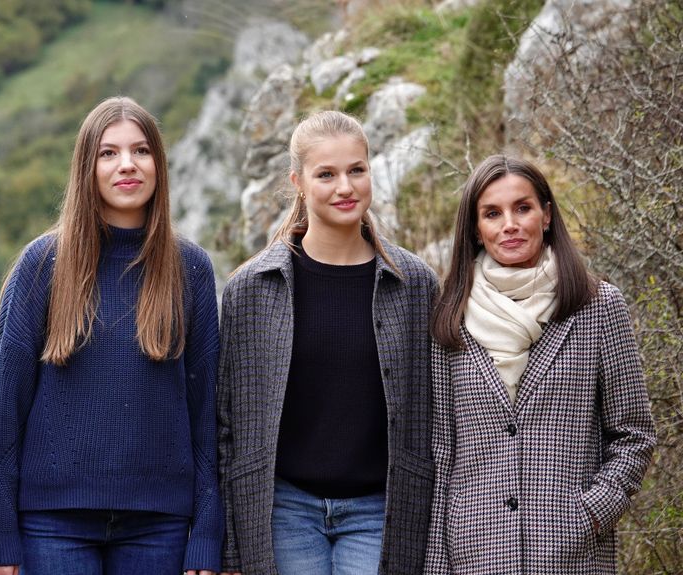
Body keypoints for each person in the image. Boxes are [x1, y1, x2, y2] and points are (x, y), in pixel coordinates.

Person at [0, 96, 223, 575]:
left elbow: (207, 413)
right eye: (108, 153)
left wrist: (208, 534)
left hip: (160, 526)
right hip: (52, 526)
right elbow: (5, 409)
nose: (126, 165)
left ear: (159, 165)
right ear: (85, 167)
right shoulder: (41, 265)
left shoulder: (189, 268)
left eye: (141, 151)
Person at [217, 110, 438, 575]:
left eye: (357, 170)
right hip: (284, 512)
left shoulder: (415, 283)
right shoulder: (252, 288)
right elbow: (226, 424)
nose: (345, 187)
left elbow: (437, 415)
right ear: (297, 181)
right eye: (326, 174)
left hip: (380, 512)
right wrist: (231, 547)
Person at [424, 155, 656, 574]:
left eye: (522, 208)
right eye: (492, 213)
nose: (509, 224)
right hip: (475, 554)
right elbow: (442, 454)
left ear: (546, 215)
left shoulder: (598, 307)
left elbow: (633, 434)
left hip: (570, 554)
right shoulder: (449, 319)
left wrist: (590, 513)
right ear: (476, 229)